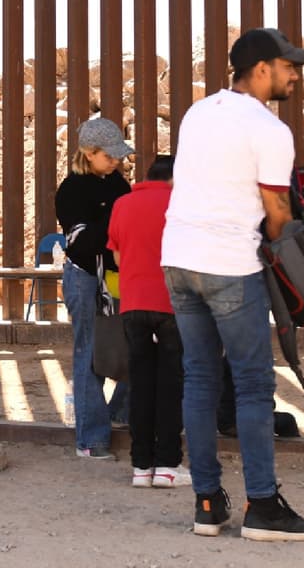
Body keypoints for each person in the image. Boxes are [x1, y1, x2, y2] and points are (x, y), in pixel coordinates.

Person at [161, 28, 304, 541]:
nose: (295, 75)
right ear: (261, 69)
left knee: (200, 379)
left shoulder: (197, 113)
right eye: (289, 66)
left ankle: (208, 504)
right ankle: (263, 506)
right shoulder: (269, 128)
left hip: (178, 258)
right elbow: (276, 210)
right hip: (230, 262)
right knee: (253, 385)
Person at [106, 154, 189, 488]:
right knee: (171, 384)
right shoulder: (181, 204)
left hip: (133, 303)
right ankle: (167, 464)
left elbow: (116, 256)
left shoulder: (122, 204)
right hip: (172, 304)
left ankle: (141, 466)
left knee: (140, 384)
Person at [55, 117, 132, 460]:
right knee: (90, 354)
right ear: (89, 153)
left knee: (134, 346)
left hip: (118, 276)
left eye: (118, 155)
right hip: (85, 278)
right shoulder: (71, 190)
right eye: (109, 155)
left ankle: (120, 413)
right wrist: (116, 220)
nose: (116, 161)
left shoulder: (117, 183)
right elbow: (82, 243)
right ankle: (91, 438)